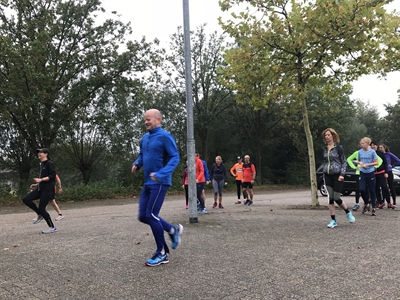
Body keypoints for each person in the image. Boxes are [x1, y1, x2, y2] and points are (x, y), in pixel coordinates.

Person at [131, 109, 183, 267]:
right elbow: (142, 154)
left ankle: (161, 253)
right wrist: (137, 163)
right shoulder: (145, 138)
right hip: (147, 182)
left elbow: (175, 157)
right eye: (145, 120)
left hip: (160, 182)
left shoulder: (165, 136)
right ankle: (172, 230)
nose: (146, 122)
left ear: (158, 119)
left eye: (149, 119)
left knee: (152, 215)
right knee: (143, 216)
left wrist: (162, 173)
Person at [321, 128, 355, 228]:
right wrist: (323, 170)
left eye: (328, 135)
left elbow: (344, 162)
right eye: (325, 135)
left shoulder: (338, 148)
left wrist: (342, 174)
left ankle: (348, 212)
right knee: (330, 198)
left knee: (336, 197)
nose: (327, 137)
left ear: (333, 136)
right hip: (327, 175)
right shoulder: (324, 148)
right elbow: (325, 161)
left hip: (337, 175)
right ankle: (333, 220)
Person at [23, 148, 58, 234]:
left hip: (48, 189)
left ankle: (52, 227)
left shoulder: (50, 163)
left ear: (46, 154)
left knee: (42, 208)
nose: (39, 154)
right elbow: (43, 178)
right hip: (41, 188)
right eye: (38, 153)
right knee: (26, 199)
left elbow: (53, 176)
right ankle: (40, 214)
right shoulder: (42, 164)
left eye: (40, 152)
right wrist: (37, 184)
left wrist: (41, 180)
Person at [370, 141, 392, 209]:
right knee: (376, 188)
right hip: (374, 173)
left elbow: (385, 163)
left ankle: (388, 202)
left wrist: (386, 172)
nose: (373, 146)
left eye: (374, 145)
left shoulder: (381, 153)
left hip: (382, 172)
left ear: (376, 146)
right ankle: (379, 202)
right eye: (372, 145)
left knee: (384, 187)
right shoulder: (369, 154)